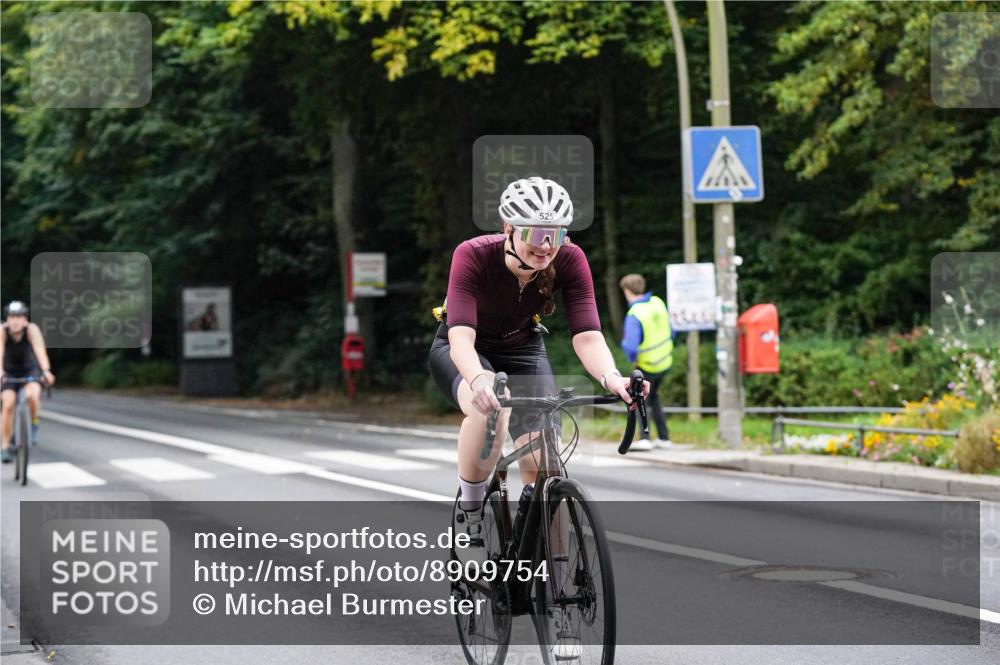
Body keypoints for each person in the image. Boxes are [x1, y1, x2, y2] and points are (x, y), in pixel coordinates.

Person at [428, 177, 648, 659]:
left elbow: (587, 334)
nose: (547, 246)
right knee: (491, 416)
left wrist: (613, 379)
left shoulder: (570, 260)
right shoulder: (474, 254)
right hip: (464, 348)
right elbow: (462, 336)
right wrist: (480, 381)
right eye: (535, 233)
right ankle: (470, 511)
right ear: (508, 227)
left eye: (557, 234)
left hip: (524, 347)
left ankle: (560, 597)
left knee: (546, 463)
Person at [619, 274, 674, 450]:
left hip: (648, 364)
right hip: (665, 361)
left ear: (627, 291)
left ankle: (644, 438)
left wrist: (633, 361)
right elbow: (671, 330)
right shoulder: (657, 302)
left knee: (639, 398)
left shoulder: (635, 313)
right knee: (654, 397)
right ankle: (664, 438)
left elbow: (630, 346)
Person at [1, 301, 55, 462]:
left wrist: (46, 371)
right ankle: (4, 446)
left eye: (19, 316)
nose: (15, 321)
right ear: (7, 319)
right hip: (8, 371)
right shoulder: (2, 331)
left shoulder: (32, 330)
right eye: (11, 317)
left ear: (25, 319)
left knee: (33, 395)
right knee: (8, 403)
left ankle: (34, 422)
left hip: (29, 369)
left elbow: (40, 351)